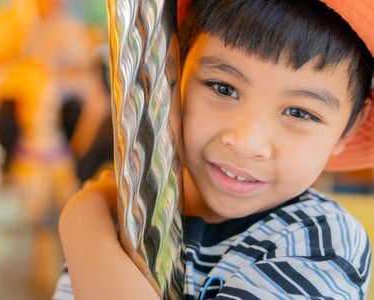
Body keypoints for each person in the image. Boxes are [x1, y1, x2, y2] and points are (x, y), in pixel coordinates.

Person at [55, 0, 374, 299]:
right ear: (174, 73)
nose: (246, 141)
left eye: (300, 112)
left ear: (352, 124)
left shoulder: (321, 243)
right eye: (224, 89)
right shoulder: (124, 214)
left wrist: (81, 220)